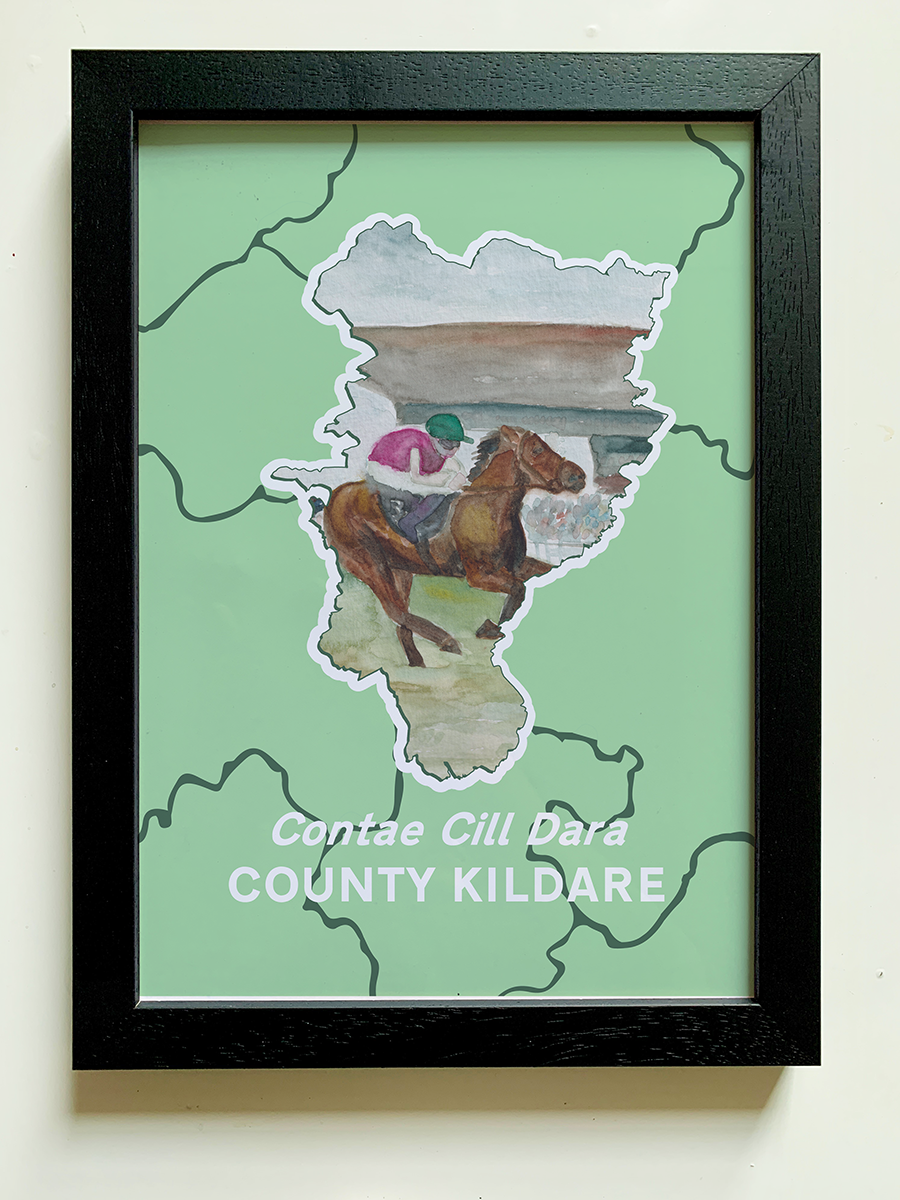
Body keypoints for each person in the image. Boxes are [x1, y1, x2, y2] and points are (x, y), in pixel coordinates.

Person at [367, 414, 473, 542]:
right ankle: (408, 523)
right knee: (438, 493)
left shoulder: (441, 450)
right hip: (386, 468)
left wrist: (458, 478)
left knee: (447, 488)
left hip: (406, 471)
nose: (453, 450)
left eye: (457, 444)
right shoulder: (416, 446)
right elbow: (416, 478)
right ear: (434, 439)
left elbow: (457, 471)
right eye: (447, 444)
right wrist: (445, 482)